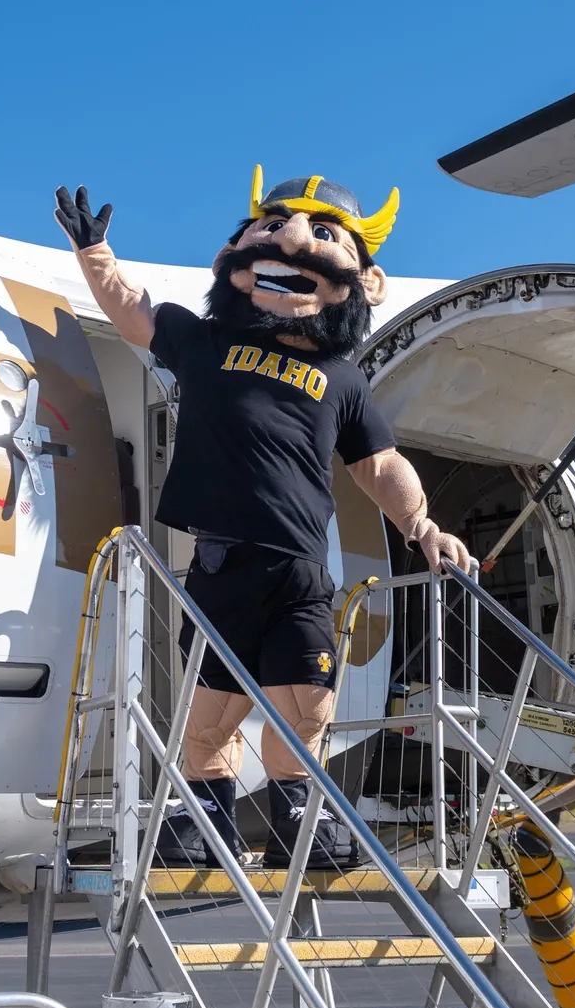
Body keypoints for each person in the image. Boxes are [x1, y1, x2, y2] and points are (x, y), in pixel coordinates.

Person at [55, 170, 472, 869]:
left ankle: (303, 827)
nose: (289, 241)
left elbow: (380, 464)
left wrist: (423, 527)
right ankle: (202, 826)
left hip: (302, 568)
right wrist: (96, 255)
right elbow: (135, 313)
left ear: (364, 281)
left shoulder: (342, 381)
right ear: (234, 255)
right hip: (224, 563)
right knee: (214, 707)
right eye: (271, 226)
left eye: (322, 235)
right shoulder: (204, 344)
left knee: (306, 703)